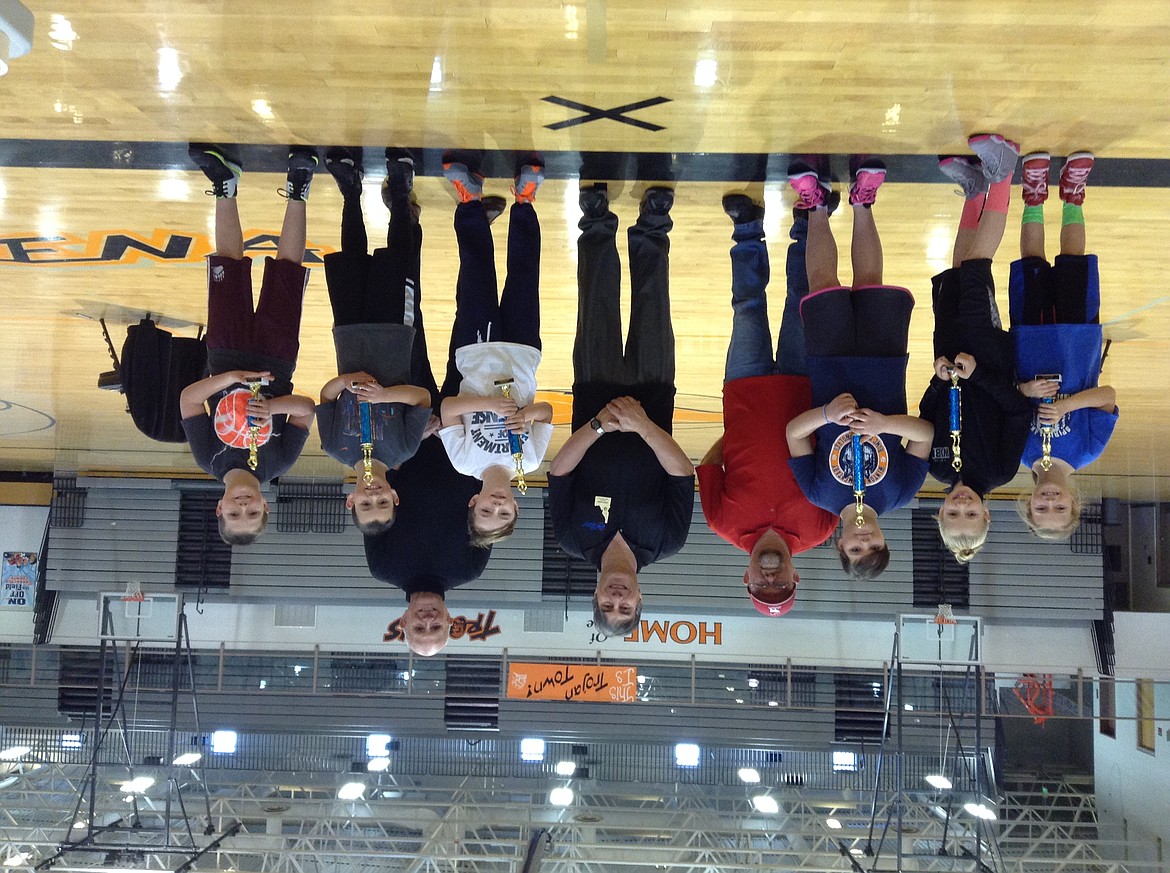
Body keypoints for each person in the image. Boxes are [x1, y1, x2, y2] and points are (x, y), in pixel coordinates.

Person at [548, 184, 695, 638]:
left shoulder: (573, 539)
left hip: (595, 395)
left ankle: (596, 219)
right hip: (654, 395)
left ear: (595, 596)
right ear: (639, 600)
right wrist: (643, 425)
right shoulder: (668, 542)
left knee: (594, 303)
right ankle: (653, 222)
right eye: (624, 605)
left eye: (608, 604)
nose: (617, 597)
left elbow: (559, 471)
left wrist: (598, 425)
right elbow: (682, 473)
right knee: (653, 302)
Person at [784, 158, 932, 580]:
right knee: (871, 278)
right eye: (873, 545)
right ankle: (863, 202)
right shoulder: (902, 491)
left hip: (829, 370)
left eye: (855, 547)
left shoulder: (819, 494)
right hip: (883, 368)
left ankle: (815, 206)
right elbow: (925, 434)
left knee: (822, 281)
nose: (864, 539)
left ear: (839, 542)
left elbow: (794, 433)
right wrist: (885, 423)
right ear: (885, 540)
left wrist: (827, 415)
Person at [697, 192, 838, 616]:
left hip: (744, 387)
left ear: (747, 579)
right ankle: (803, 225)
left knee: (746, 308)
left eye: (762, 587)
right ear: (797, 578)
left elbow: (707, 465)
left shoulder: (722, 523)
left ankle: (747, 228)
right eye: (780, 587)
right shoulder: (822, 526)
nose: (770, 580)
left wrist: (742, 432)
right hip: (806, 387)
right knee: (802, 301)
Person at [179, 144, 318, 546]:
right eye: (252, 512)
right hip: (277, 357)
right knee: (288, 270)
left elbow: (189, 401)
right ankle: (298, 190)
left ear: (219, 507)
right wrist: (274, 406)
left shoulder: (209, 458)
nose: (244, 505)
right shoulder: (280, 461)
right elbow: (307, 409)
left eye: (236, 512)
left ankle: (226, 186)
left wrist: (228, 377)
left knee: (229, 262)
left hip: (224, 351)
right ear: (266, 507)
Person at [919, 134, 1032, 562]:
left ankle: (974, 190)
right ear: (986, 513)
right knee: (978, 266)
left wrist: (939, 377)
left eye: (953, 512)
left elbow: (928, 410)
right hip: (987, 350)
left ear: (942, 510)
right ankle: (1003, 172)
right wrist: (978, 373)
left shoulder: (938, 466)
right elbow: (1019, 409)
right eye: (970, 513)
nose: (962, 504)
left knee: (956, 270)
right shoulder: (1001, 470)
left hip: (948, 353)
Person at [436, 157, 553, 547]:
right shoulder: (531, 460)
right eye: (503, 513)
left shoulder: (464, 461)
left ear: (474, 501)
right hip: (522, 352)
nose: (496, 505)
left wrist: (485, 401)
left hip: (477, 349)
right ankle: (524, 200)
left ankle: (470, 198)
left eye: (486, 511)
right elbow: (547, 413)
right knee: (524, 273)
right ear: (516, 509)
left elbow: (449, 409)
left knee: (476, 269)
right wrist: (526, 416)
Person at [315, 146, 433, 535]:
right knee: (397, 259)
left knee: (352, 257)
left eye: (366, 504)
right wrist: (384, 396)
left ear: (351, 499)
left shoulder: (335, 448)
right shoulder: (404, 448)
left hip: (348, 337)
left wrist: (345, 382)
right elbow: (421, 399)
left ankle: (351, 189)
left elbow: (326, 397)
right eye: (382, 502)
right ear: (394, 496)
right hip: (394, 335)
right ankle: (400, 191)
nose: (373, 495)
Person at [1009, 150, 1118, 540]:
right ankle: (1073, 193)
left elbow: (1005, 399)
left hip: (1029, 341)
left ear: (1028, 503)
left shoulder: (1017, 453)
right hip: (1077, 340)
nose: (1050, 501)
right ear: (1075, 503)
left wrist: (1025, 392)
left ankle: (1034, 195)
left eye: (1042, 508)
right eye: (1059, 507)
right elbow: (1107, 395)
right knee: (1073, 260)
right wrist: (1068, 405)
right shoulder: (1089, 450)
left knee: (1031, 260)